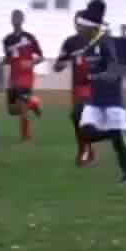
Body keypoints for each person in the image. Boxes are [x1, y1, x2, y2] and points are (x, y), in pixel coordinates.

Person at [74, 0, 126, 183]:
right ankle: (112, 134)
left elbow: (116, 68)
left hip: (112, 98)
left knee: (118, 142)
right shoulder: (90, 45)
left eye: (81, 27)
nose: (79, 30)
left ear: (90, 28)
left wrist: (102, 76)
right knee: (85, 132)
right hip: (95, 99)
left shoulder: (105, 42)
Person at [53, 21, 99, 168]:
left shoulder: (96, 40)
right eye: (77, 24)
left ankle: (84, 153)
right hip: (78, 87)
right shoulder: (70, 42)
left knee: (83, 119)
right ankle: (86, 151)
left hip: (94, 86)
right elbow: (57, 66)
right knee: (78, 121)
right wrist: (63, 64)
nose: (80, 27)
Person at [0, 10, 44, 143]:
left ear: (22, 20)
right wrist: (1, 62)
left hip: (26, 77)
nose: (16, 21)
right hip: (13, 77)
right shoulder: (7, 40)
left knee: (22, 107)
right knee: (12, 110)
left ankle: (26, 137)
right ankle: (33, 103)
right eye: (14, 18)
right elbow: (9, 58)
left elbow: (41, 57)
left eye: (19, 18)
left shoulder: (30, 37)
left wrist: (32, 62)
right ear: (12, 21)